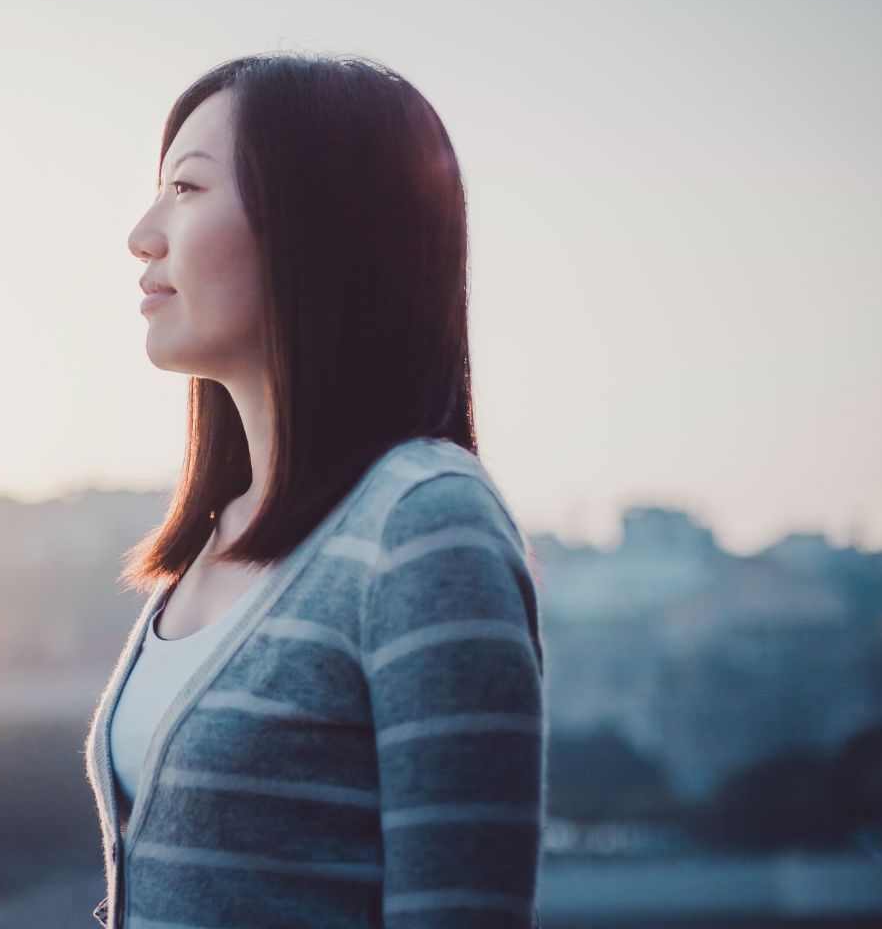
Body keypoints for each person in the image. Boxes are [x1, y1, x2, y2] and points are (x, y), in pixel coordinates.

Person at [83, 52, 546, 928]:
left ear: (316, 225)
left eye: (186, 189)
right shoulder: (214, 540)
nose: (143, 234)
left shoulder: (422, 522)